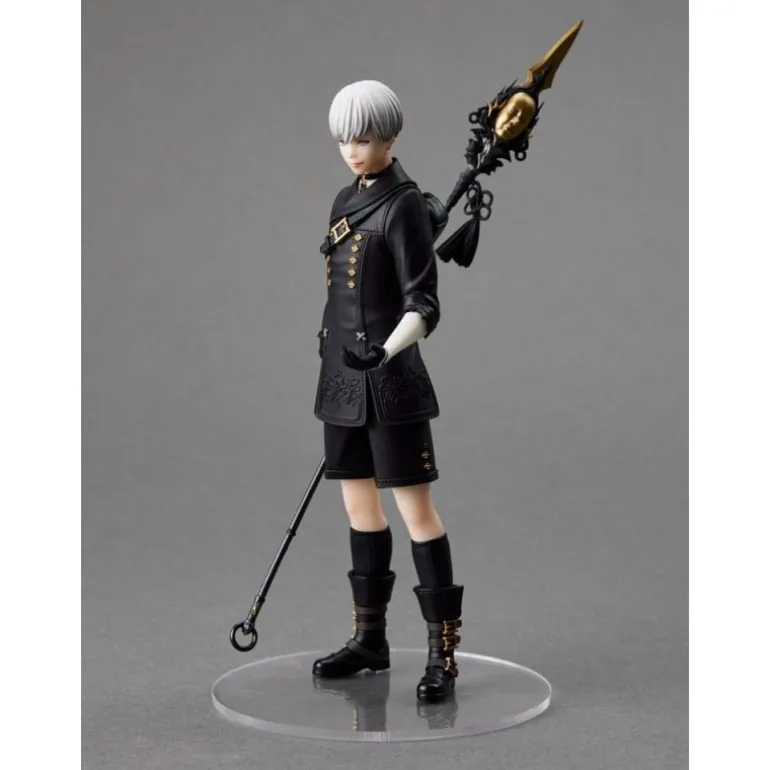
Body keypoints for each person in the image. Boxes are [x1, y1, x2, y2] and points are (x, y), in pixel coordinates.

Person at [312, 80, 463, 703]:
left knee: (415, 513)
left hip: (391, 382)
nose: (353, 149)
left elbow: (423, 305)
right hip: (342, 381)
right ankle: (369, 639)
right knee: (359, 511)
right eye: (344, 139)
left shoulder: (402, 206)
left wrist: (384, 350)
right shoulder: (344, 200)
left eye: (364, 137)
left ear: (390, 136)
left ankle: (441, 652)